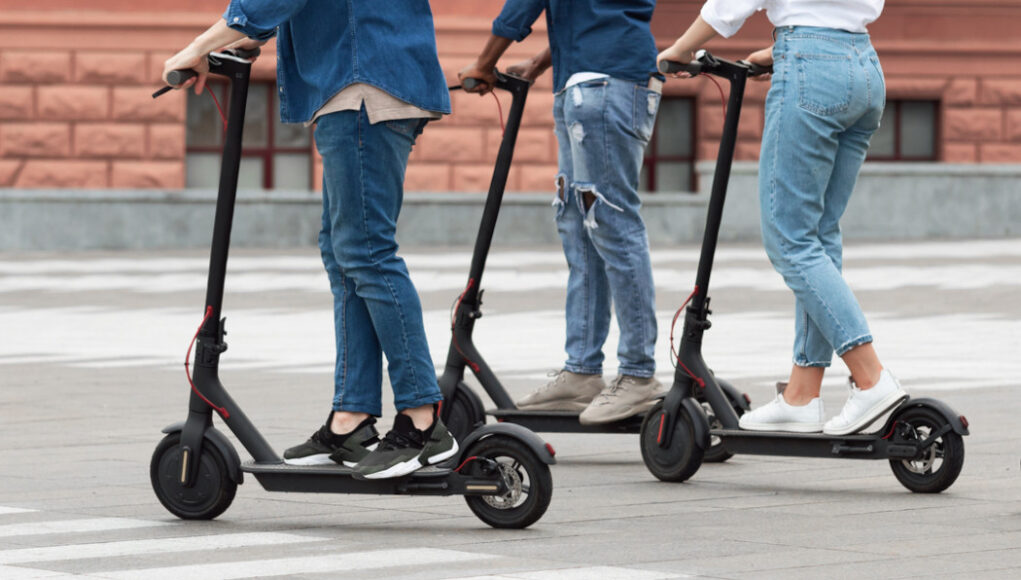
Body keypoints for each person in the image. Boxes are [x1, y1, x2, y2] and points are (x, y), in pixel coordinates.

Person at [163, 0, 458, 479]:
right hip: (360, 82)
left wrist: (199, 45)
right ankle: (351, 419)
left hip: (362, 86)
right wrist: (250, 38)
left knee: (367, 252)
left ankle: (423, 421)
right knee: (345, 255)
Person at [658, 0, 906, 434]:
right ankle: (801, 394)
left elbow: (730, 5)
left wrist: (679, 49)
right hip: (863, 65)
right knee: (819, 236)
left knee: (790, 239)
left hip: (812, 70)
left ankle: (871, 379)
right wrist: (780, 50)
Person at [459, 0, 667, 425]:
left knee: (612, 222)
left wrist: (484, 62)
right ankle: (582, 372)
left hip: (605, 84)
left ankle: (638, 374)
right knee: (578, 224)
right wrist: (538, 62)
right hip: (585, 81)